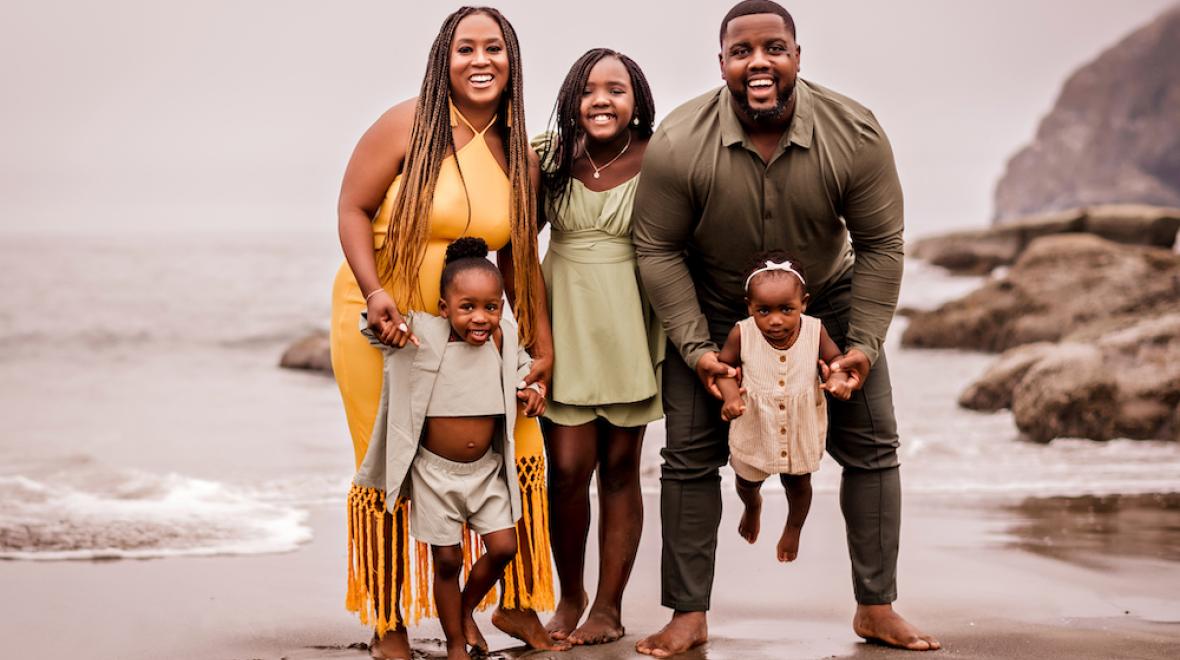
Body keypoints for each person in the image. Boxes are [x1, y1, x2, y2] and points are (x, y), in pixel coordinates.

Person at [631, 0, 941, 654]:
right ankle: (688, 613)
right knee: (688, 459)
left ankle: (876, 605)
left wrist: (861, 346)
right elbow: (656, 248)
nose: (759, 61)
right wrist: (697, 349)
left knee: (873, 448)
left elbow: (882, 242)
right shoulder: (681, 141)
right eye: (741, 51)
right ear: (722, 65)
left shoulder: (854, 133)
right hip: (717, 306)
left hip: (827, 300)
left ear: (797, 57)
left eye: (774, 47)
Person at [330, 7, 567, 658]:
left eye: (495, 47)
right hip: (387, 323)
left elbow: (519, 258)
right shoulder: (407, 124)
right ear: (444, 58)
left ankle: (515, 604)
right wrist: (377, 293)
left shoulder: (516, 148)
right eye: (466, 48)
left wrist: (539, 346)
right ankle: (388, 620)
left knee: (517, 449)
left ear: (512, 59)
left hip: (474, 329)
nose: (481, 59)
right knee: (389, 464)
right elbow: (351, 207)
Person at [356, 238, 546, 660]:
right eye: (467, 307)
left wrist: (534, 390)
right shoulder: (423, 334)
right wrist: (386, 323)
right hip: (434, 474)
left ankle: (461, 610)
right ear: (445, 308)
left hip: (487, 472)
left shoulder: (501, 339)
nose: (480, 317)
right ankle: (456, 644)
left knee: (503, 548)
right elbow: (372, 329)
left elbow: (523, 372)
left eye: (491, 307)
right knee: (447, 562)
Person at [531, 49, 662, 646]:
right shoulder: (549, 157)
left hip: (628, 323)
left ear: (636, 102)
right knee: (565, 469)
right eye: (589, 90)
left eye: (617, 89)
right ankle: (571, 593)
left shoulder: (659, 159)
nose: (602, 100)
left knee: (617, 468)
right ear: (572, 100)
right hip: (563, 320)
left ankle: (608, 608)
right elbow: (512, 237)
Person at [715, 251, 853, 564]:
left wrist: (839, 379)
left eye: (786, 309)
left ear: (803, 303)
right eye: (764, 310)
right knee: (747, 480)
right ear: (750, 307)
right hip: (755, 424)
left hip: (799, 424)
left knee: (799, 484)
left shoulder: (815, 331)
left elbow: (835, 361)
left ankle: (793, 527)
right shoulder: (742, 332)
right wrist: (730, 398)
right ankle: (752, 506)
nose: (775, 320)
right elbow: (724, 369)